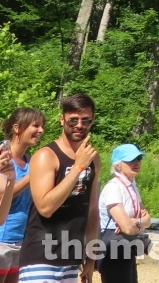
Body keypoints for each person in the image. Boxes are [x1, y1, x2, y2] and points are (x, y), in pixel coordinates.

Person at [18, 93, 100, 283]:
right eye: (73, 120)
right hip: (41, 258)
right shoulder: (46, 156)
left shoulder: (93, 158)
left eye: (85, 120)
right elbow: (45, 208)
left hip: (71, 258)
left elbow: (92, 210)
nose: (79, 125)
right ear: (62, 119)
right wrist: (78, 167)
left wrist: (92, 256)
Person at [0, 108, 45, 283]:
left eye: (42, 126)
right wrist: (31, 176)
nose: (41, 130)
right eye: (35, 125)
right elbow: (5, 195)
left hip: (21, 239)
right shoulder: (3, 157)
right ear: (17, 128)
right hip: (2, 240)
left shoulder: (29, 160)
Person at [97, 144, 151, 283]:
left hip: (126, 241)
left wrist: (135, 223)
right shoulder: (114, 188)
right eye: (131, 160)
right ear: (118, 165)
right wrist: (138, 222)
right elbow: (128, 226)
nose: (137, 162)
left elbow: (148, 220)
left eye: (139, 158)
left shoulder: (131, 185)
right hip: (114, 244)